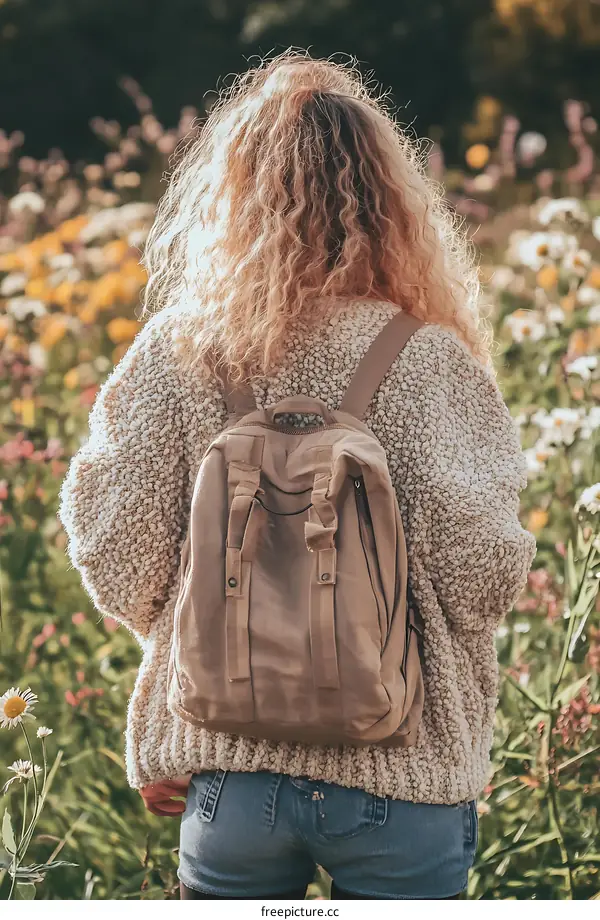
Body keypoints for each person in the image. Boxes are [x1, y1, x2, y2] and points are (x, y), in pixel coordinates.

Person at [58, 51, 536, 901]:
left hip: (230, 772)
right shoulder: (428, 360)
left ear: (229, 198)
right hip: (405, 775)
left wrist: (213, 637)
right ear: (391, 200)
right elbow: (481, 576)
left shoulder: (178, 355)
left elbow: (117, 555)